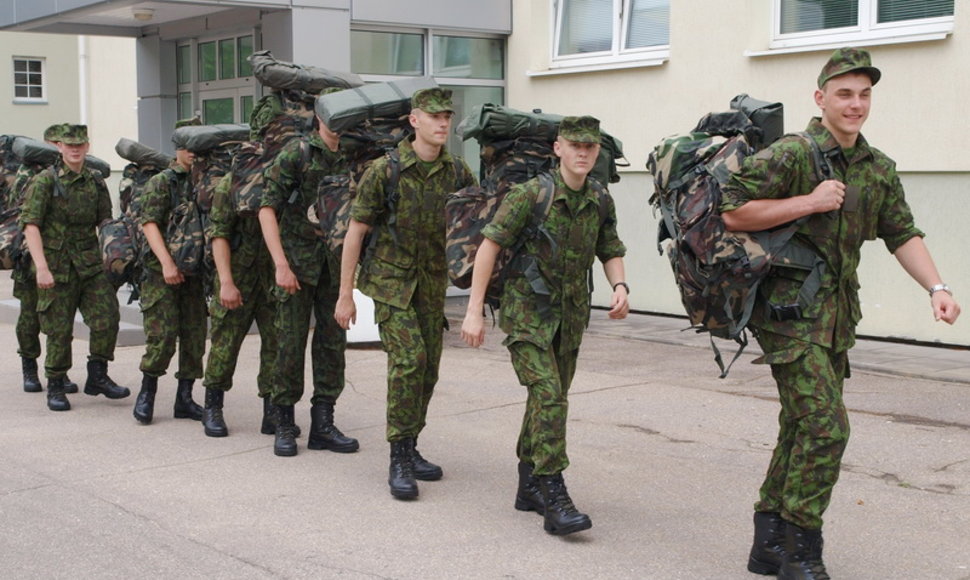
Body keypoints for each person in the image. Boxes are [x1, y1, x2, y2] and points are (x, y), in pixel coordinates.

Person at [720, 48, 961, 580]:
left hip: (834, 318)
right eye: (845, 93)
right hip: (784, 315)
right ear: (820, 97)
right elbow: (733, 210)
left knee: (800, 426)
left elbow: (902, 232)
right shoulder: (791, 155)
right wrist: (807, 202)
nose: (855, 104)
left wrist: (936, 287)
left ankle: (769, 541)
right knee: (827, 428)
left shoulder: (876, 168)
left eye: (865, 94)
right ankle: (803, 552)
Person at [460, 116, 629, 535]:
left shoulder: (600, 198)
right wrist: (473, 309)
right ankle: (554, 492)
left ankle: (528, 484)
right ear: (558, 149)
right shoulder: (530, 195)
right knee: (550, 397)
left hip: (569, 317)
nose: (583, 154)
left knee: (548, 401)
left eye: (590, 148)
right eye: (575, 146)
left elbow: (609, 246)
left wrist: (620, 284)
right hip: (528, 317)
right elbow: (489, 247)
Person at [335, 87, 476, 500]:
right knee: (410, 361)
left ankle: (412, 445)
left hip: (432, 286)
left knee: (428, 369)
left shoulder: (457, 172)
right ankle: (398, 457)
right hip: (391, 286)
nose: (443, 124)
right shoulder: (386, 170)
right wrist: (345, 295)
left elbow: (473, 226)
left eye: (447, 117)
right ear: (415, 120)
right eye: (434, 117)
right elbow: (355, 232)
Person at [258, 104, 358, 457]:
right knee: (289, 343)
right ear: (320, 118)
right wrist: (280, 264)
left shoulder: (352, 154)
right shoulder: (297, 152)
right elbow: (266, 207)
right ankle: (283, 420)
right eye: (332, 117)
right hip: (296, 265)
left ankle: (323, 423)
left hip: (334, 265)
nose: (338, 124)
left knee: (333, 345)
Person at [19, 124, 131, 411]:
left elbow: (105, 222)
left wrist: (117, 254)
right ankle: (56, 384)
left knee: (107, 317)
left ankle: (97, 375)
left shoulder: (95, 181)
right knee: (59, 329)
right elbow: (31, 226)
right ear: (59, 147)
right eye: (69, 145)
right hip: (56, 266)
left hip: (90, 264)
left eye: (80, 144)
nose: (75, 149)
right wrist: (41, 268)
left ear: (87, 146)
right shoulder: (45, 181)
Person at [131, 121, 207, 425]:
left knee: (194, 336)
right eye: (187, 147)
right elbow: (149, 223)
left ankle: (185, 399)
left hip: (195, 273)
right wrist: (166, 264)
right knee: (162, 337)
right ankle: (147, 392)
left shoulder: (207, 181)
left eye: (198, 147)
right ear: (177, 148)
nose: (192, 153)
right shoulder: (162, 181)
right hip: (160, 272)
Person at [199, 170, 279, 438]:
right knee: (225, 344)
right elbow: (218, 234)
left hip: (270, 279)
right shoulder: (231, 183)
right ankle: (213, 407)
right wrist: (226, 282)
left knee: (276, 346)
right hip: (238, 277)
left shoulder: (283, 178)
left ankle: (272, 412)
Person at [10, 124, 78, 394]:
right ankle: (30, 366)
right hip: (30, 256)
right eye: (58, 142)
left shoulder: (67, 174)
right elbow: (26, 216)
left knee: (60, 319)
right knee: (30, 317)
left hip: (62, 258)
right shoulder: (31, 173)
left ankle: (59, 372)